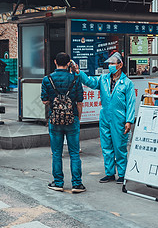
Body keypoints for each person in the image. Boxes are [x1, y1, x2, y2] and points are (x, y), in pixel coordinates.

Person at [73, 52, 136, 184]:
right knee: (106, 146)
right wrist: (79, 73)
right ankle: (110, 173)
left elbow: (131, 103)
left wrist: (129, 121)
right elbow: (90, 82)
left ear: (120, 65)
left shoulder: (127, 83)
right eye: (110, 63)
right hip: (105, 118)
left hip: (120, 119)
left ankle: (123, 174)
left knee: (119, 147)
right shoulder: (103, 79)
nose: (111, 66)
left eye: (113, 63)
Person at [41, 52, 86, 193]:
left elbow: (44, 100)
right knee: (74, 153)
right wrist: (77, 117)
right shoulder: (75, 79)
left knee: (56, 153)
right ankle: (77, 184)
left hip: (55, 120)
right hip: (72, 119)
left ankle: (58, 182)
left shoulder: (47, 79)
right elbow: (79, 101)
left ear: (55, 62)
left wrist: (55, 104)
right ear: (68, 64)